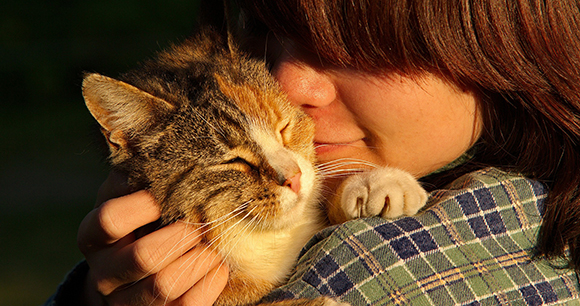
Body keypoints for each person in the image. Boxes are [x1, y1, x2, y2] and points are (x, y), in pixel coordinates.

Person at [45, 0, 580, 305]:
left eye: (353, 47)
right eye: (267, 32)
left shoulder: (386, 277)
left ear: (506, 41)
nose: (286, 82)